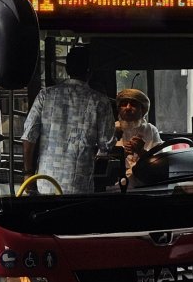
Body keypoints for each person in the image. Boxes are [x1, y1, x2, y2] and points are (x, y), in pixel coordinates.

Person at [21, 46, 114, 194]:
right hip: (79, 186)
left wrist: (28, 173)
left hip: (45, 182)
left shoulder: (45, 96)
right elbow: (106, 145)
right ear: (90, 71)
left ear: (67, 69)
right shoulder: (100, 101)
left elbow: (28, 137)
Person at [115, 88, 162, 178]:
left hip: (146, 179)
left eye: (133, 104)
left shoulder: (151, 130)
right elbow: (101, 161)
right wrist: (121, 155)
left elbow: (161, 162)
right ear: (119, 109)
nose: (128, 108)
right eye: (124, 104)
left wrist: (141, 151)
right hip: (117, 181)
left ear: (142, 109)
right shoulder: (111, 129)